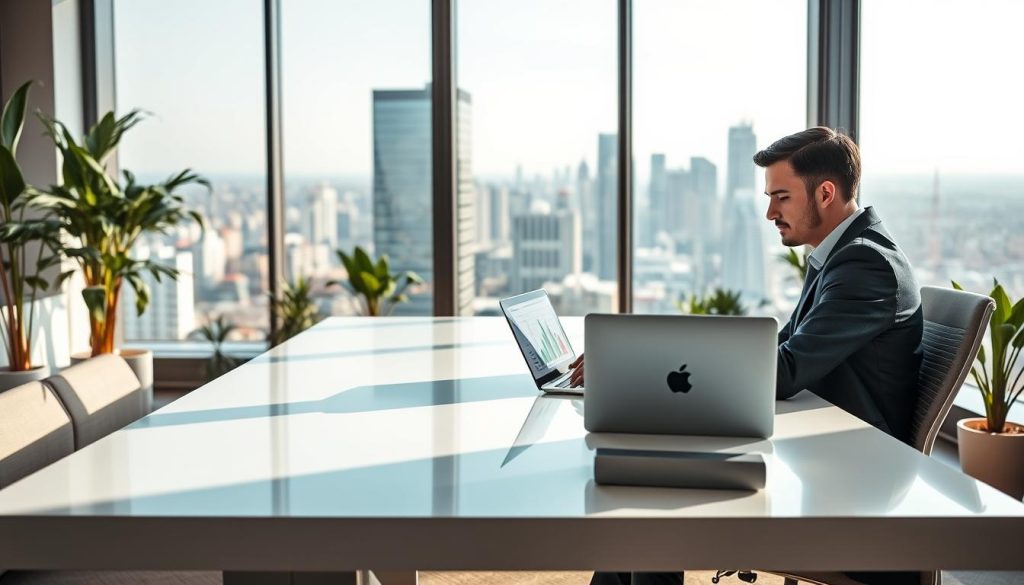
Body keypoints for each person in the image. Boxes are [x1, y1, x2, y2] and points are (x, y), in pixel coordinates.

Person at [575, 127, 923, 585]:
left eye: (781, 196)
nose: (769, 212)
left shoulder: (865, 266)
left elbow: (782, 372)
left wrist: (632, 366)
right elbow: (777, 350)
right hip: (821, 452)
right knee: (649, 496)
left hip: (850, 489)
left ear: (825, 192)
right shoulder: (844, 254)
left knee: (653, 497)